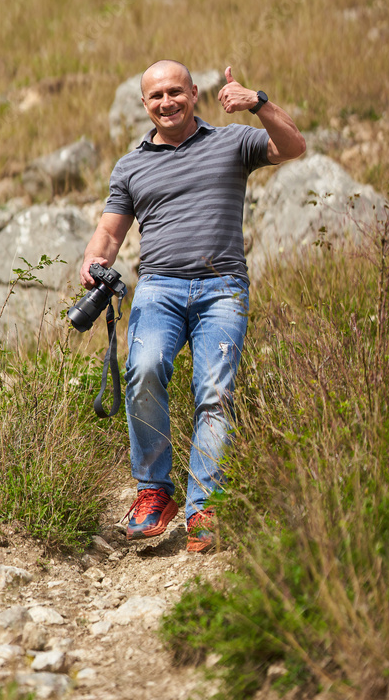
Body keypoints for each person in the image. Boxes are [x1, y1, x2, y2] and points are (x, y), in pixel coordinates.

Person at [80, 60, 306, 552]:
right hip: (158, 288)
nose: (167, 102)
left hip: (222, 288)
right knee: (142, 370)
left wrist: (259, 103)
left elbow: (293, 146)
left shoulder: (232, 141)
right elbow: (111, 231)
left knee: (214, 392)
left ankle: (204, 505)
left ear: (195, 93)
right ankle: (153, 493)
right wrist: (94, 260)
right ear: (145, 104)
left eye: (175, 92)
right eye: (156, 95)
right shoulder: (131, 164)